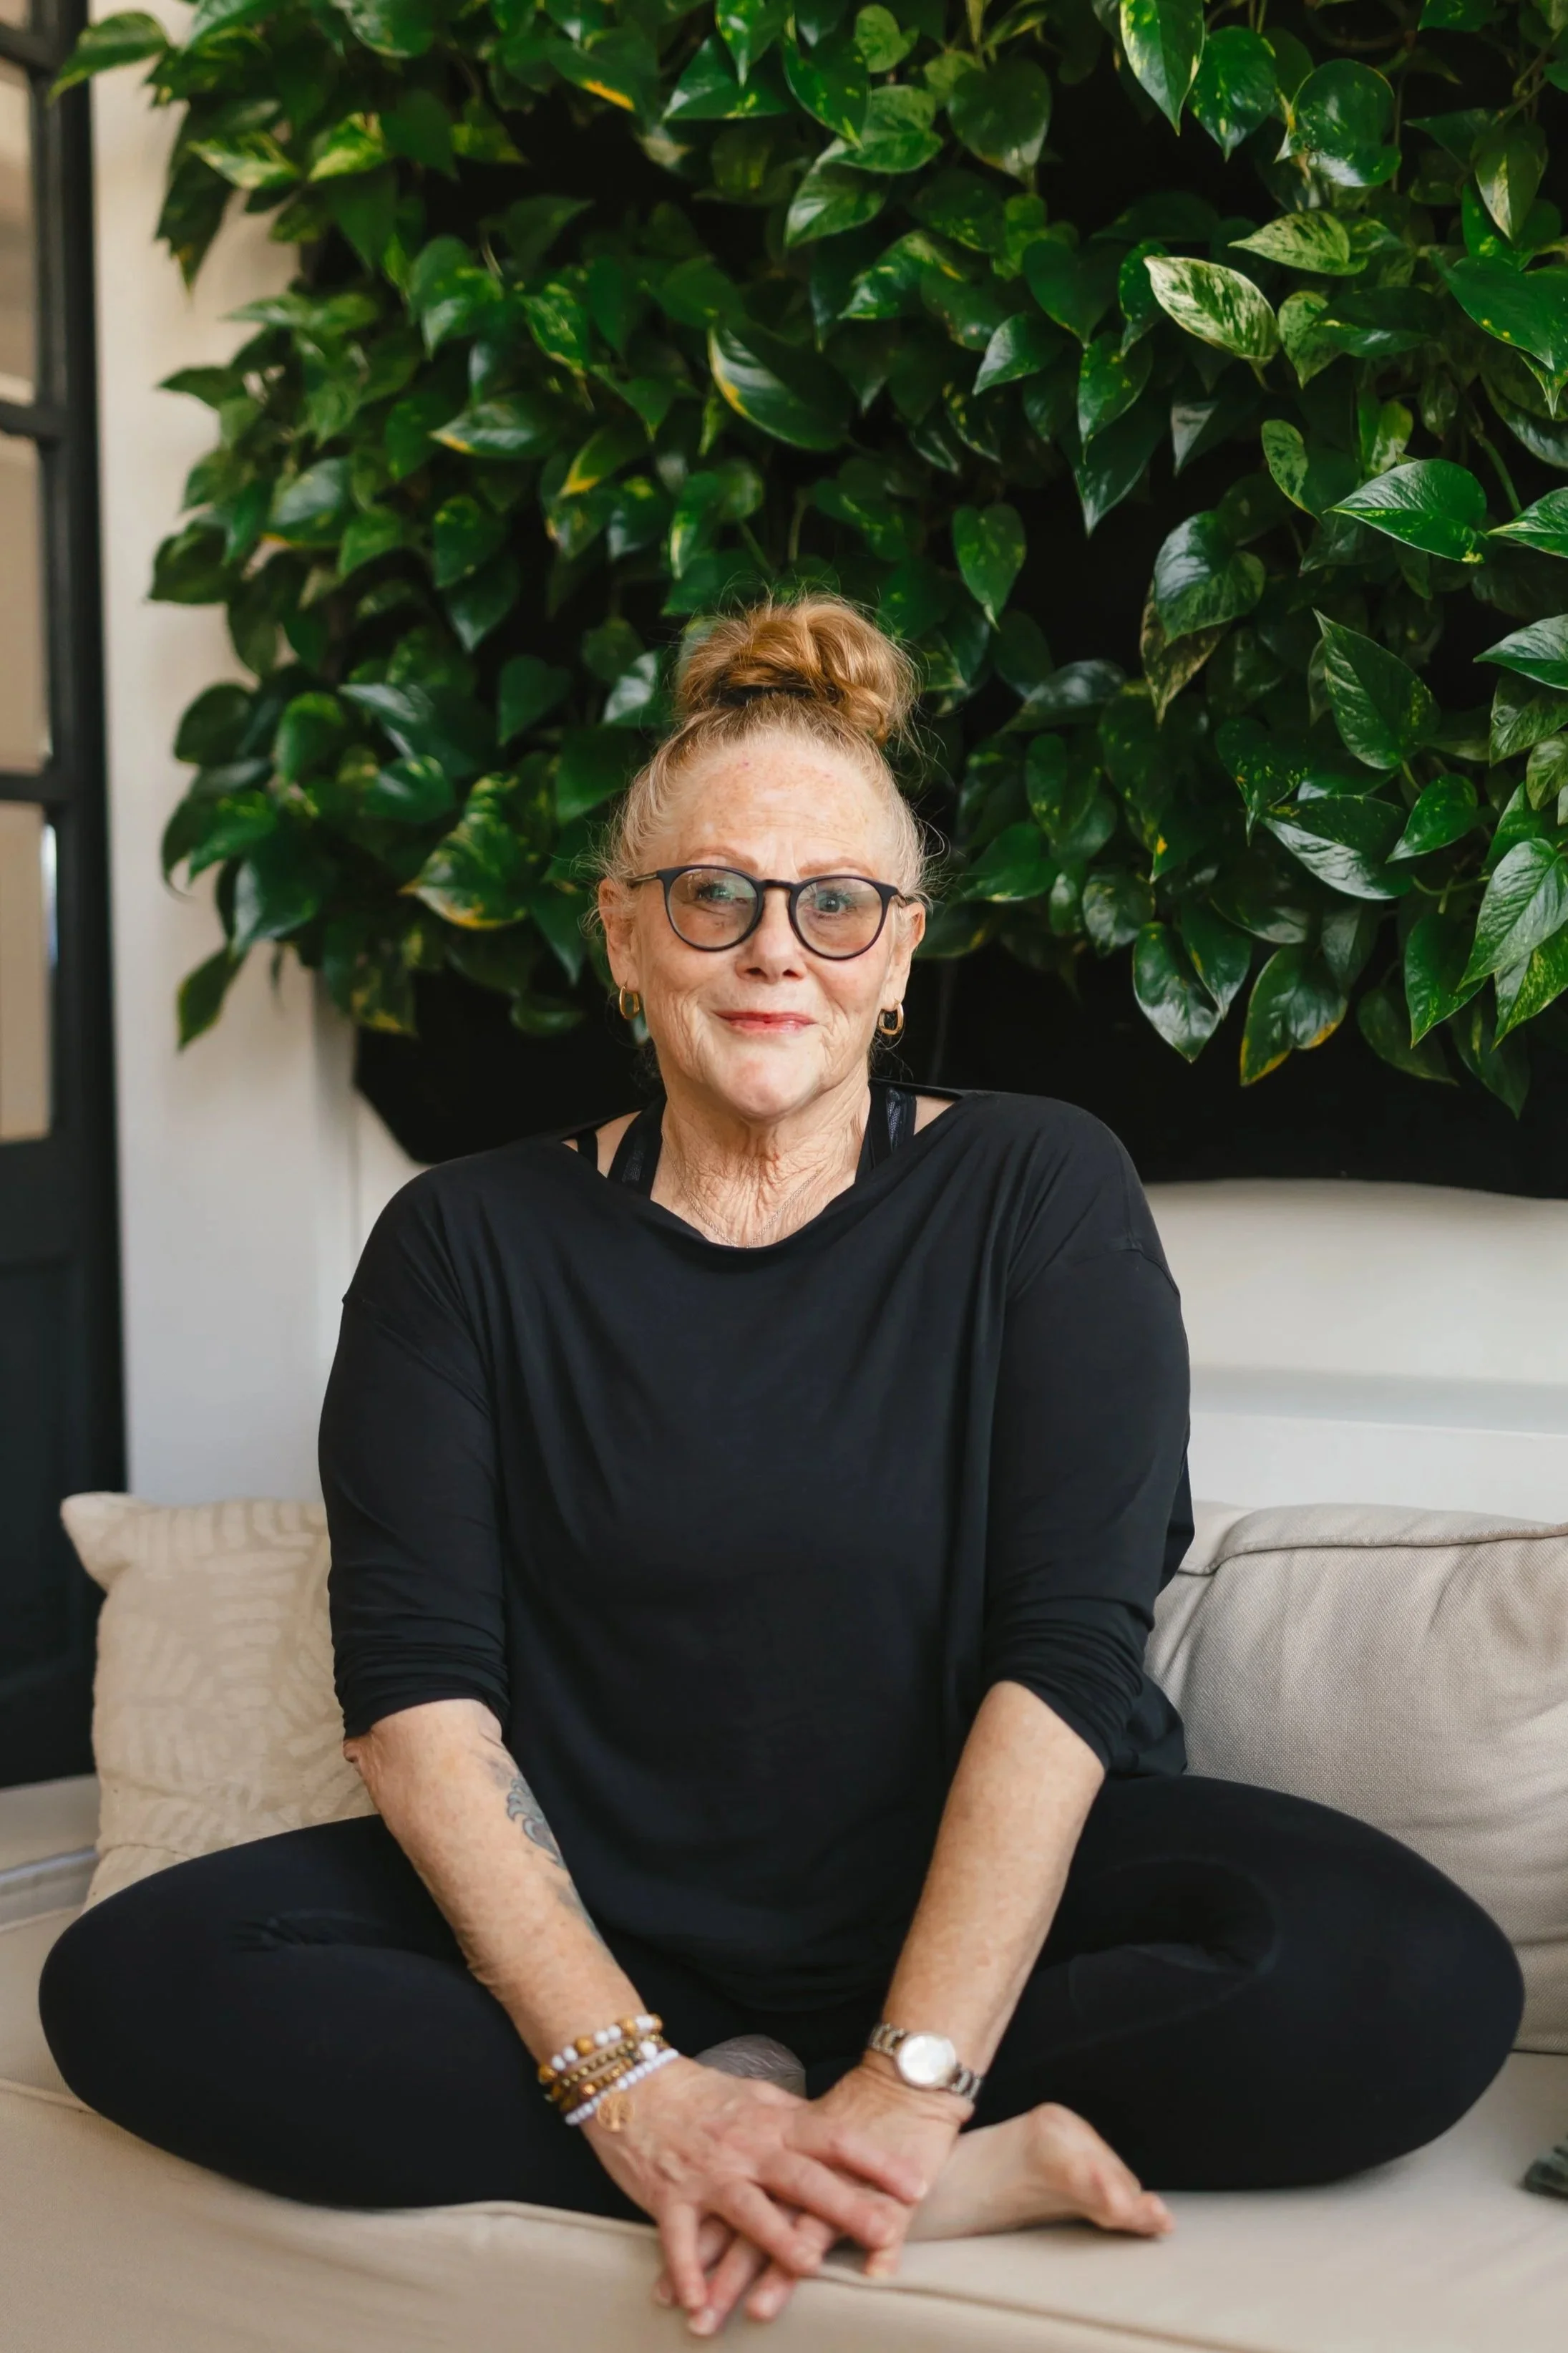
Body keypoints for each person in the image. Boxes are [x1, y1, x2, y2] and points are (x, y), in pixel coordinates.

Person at [42, 596, 1521, 2339]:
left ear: (901, 959)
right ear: (626, 932)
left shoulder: (1040, 1189)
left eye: (837, 906)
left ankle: (843, 2139)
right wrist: (629, 2087)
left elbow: (1069, 1648)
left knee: (1413, 1980)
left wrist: (915, 2067)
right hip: (613, 1923)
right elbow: (416, 1700)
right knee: (138, 1981)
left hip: (984, 1922)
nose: (775, 949)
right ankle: (839, 2173)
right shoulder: (462, 1241)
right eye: (715, 894)